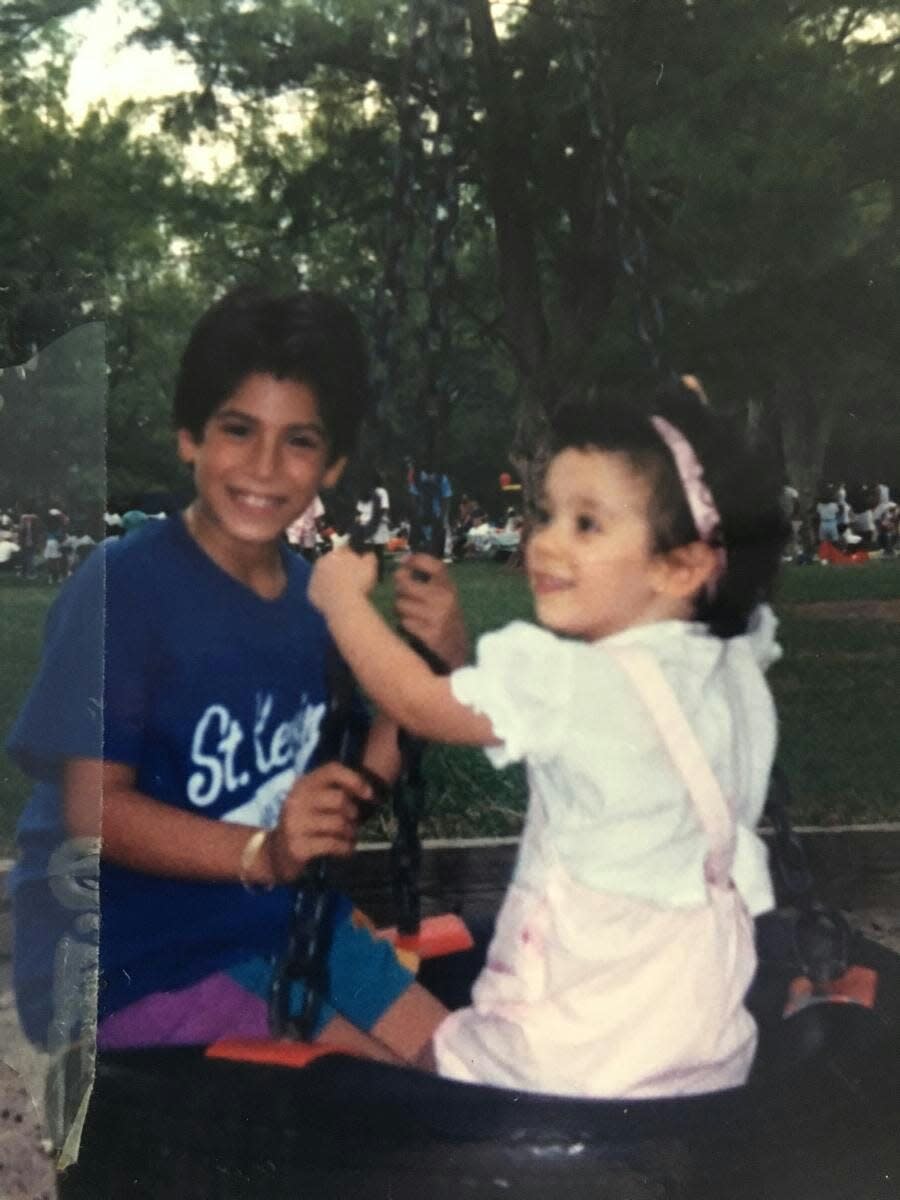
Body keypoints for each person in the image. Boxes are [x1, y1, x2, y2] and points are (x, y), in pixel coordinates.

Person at [7, 287, 467, 1086]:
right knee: (395, 1116)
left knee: (472, 1069)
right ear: (189, 438)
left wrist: (434, 667)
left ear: (332, 464)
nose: (262, 467)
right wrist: (266, 851)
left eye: (298, 442)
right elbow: (92, 808)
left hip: (275, 922)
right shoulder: (127, 587)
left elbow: (347, 790)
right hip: (138, 956)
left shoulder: (316, 603)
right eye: (237, 430)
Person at [310, 377, 787, 1099]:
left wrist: (343, 605)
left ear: (682, 564)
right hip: (694, 1044)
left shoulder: (571, 680)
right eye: (546, 514)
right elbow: (595, 751)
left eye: (586, 523)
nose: (545, 543)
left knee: (400, 1079)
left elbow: (415, 701)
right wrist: (456, 653)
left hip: (563, 1051)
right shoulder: (734, 667)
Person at [355, 471, 391, 580]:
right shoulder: (382, 492)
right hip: (377, 524)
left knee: (367, 551)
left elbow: (359, 510)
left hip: (366, 523)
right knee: (378, 551)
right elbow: (384, 508)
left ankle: (370, 575)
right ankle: (379, 576)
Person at [286, 493, 325, 561]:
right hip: (305, 536)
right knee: (307, 561)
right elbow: (317, 516)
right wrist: (321, 530)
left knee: (293, 559)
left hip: (294, 535)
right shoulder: (313, 495)